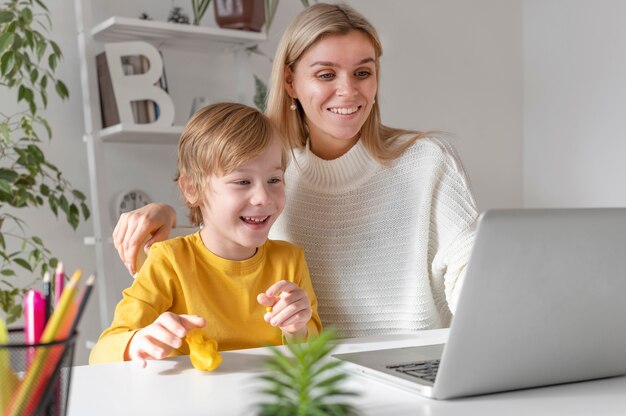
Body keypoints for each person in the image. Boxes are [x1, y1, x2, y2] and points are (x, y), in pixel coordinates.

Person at [112, 4, 478, 339]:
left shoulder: (427, 161)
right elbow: (224, 238)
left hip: (410, 369)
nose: (348, 90)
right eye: (326, 74)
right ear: (290, 81)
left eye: (362, 72)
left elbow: (473, 275)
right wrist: (168, 212)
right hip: (311, 380)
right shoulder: (274, 168)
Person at [90, 103, 322, 366]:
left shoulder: (290, 259)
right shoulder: (168, 260)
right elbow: (101, 353)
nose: (263, 197)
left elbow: (312, 351)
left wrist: (297, 329)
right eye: (242, 181)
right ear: (191, 188)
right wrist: (138, 342)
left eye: (274, 180)